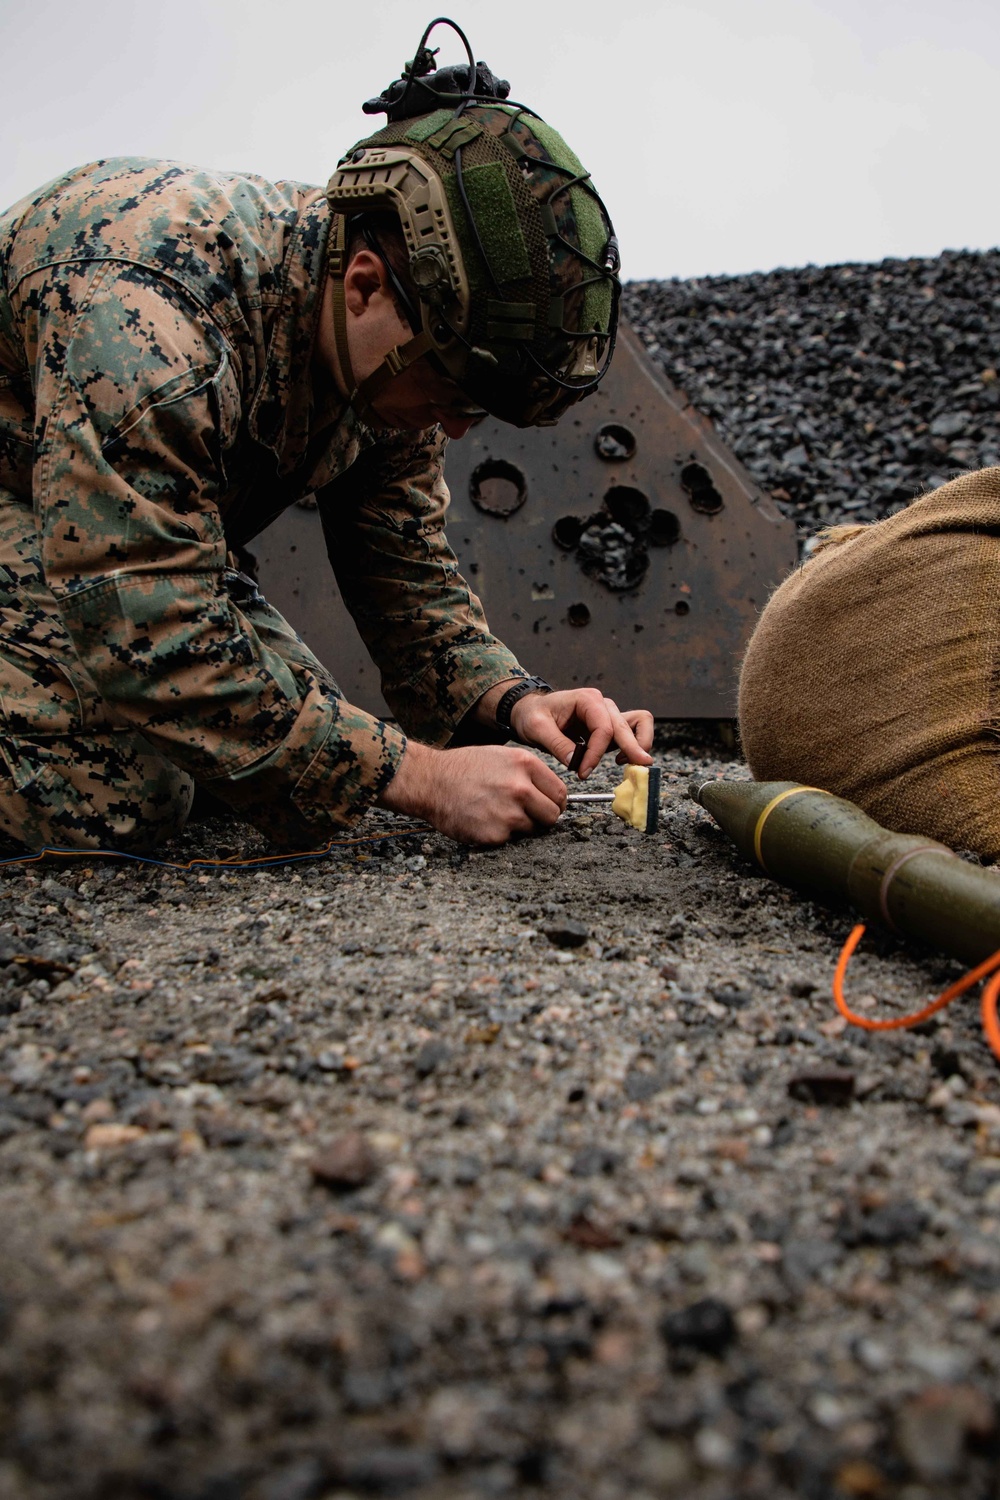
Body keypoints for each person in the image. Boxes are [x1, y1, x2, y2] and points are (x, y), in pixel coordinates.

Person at [0, 18, 653, 855]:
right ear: (364, 285)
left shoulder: (393, 346)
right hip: (31, 505)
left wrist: (512, 703)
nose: (454, 427)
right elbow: (150, 629)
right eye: (452, 392)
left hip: (96, 532)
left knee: (280, 741)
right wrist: (420, 778)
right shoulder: (152, 319)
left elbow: (405, 574)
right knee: (109, 796)